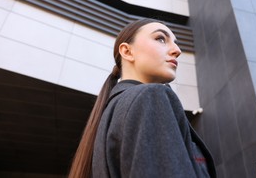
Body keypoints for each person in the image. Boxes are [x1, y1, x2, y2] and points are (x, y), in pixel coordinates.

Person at [68, 18, 216, 178]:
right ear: (127, 52)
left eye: (175, 42)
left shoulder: (113, 111)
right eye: (161, 38)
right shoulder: (151, 98)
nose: (177, 50)